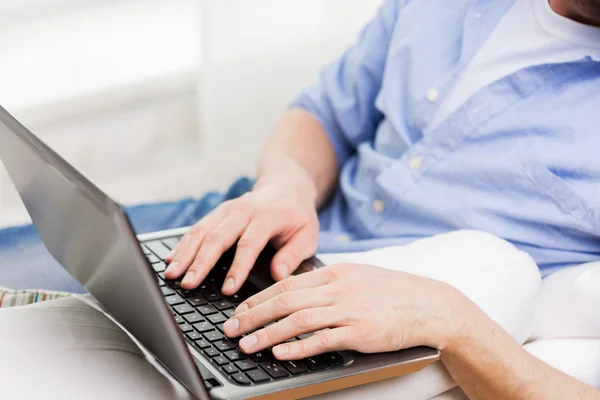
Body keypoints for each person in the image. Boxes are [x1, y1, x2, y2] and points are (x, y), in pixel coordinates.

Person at [1, 0, 600, 399]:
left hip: (362, 305)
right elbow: (323, 113)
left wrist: (458, 325)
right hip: (274, 224)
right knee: (44, 253)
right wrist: (284, 185)